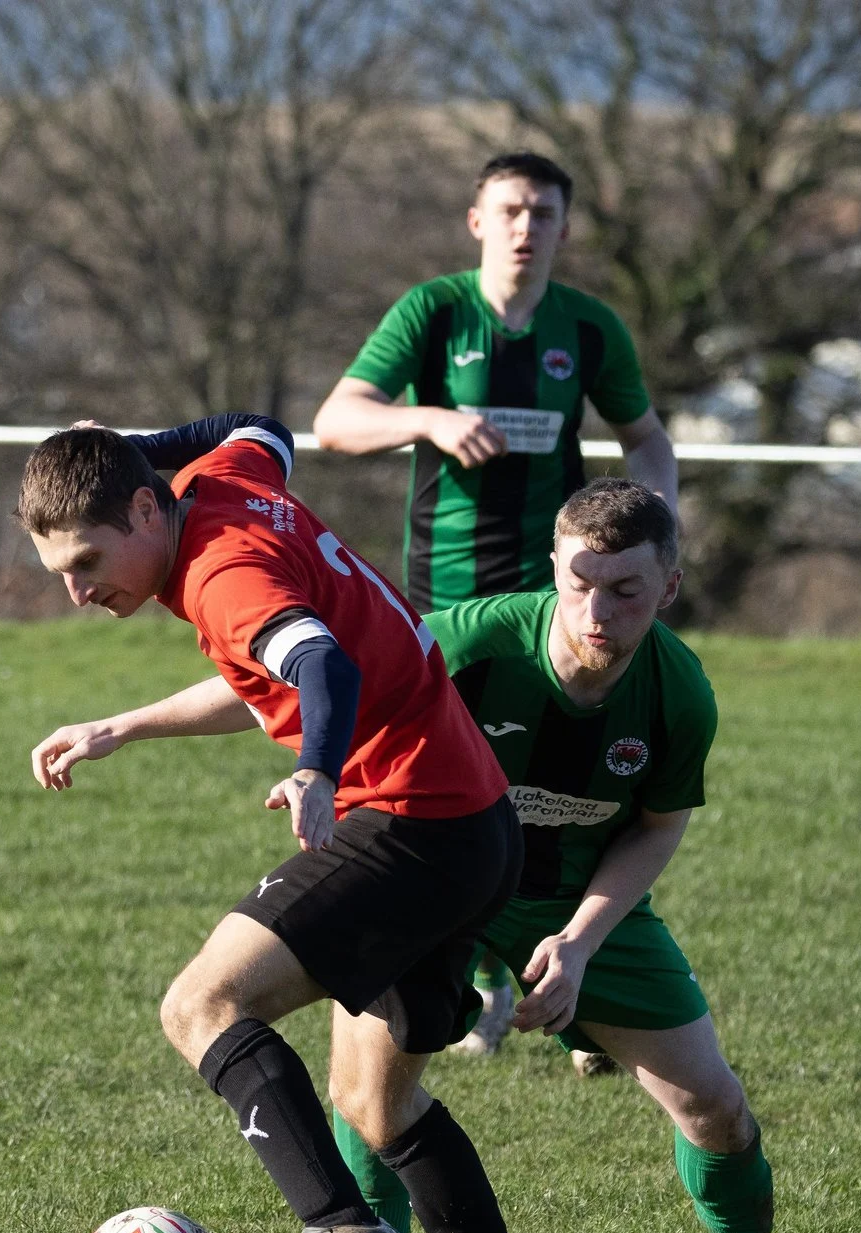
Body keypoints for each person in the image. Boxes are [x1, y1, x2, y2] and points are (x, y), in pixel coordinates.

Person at [22, 413, 568, 1233]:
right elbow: (260, 425)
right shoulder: (226, 478)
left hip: (411, 822)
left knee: (201, 1003)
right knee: (377, 1104)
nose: (77, 593)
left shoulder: (222, 574)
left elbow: (316, 660)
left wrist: (316, 768)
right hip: (474, 823)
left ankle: (340, 1230)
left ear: (147, 511)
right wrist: (124, 724)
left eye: (88, 562)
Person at [351, 479, 854, 1233]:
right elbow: (341, 701)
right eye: (580, 584)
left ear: (669, 588)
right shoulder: (470, 647)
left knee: (717, 1107)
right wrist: (315, 778)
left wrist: (580, 943)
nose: (597, 611)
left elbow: (656, 830)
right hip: (436, 880)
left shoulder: (679, 695)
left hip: (577, 900)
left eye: (625, 592)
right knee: (372, 1092)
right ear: (554, 568)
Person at [315, 150, 678, 1071]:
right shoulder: (434, 313)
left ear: (564, 228)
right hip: (446, 599)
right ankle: (480, 980)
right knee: (455, 797)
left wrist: (654, 544)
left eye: (544, 213)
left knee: (573, 799)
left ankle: (578, 976)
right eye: (510, 209)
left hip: (559, 607)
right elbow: (336, 420)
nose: (526, 227)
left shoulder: (588, 329)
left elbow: (646, 439)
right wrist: (428, 420)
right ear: (476, 219)